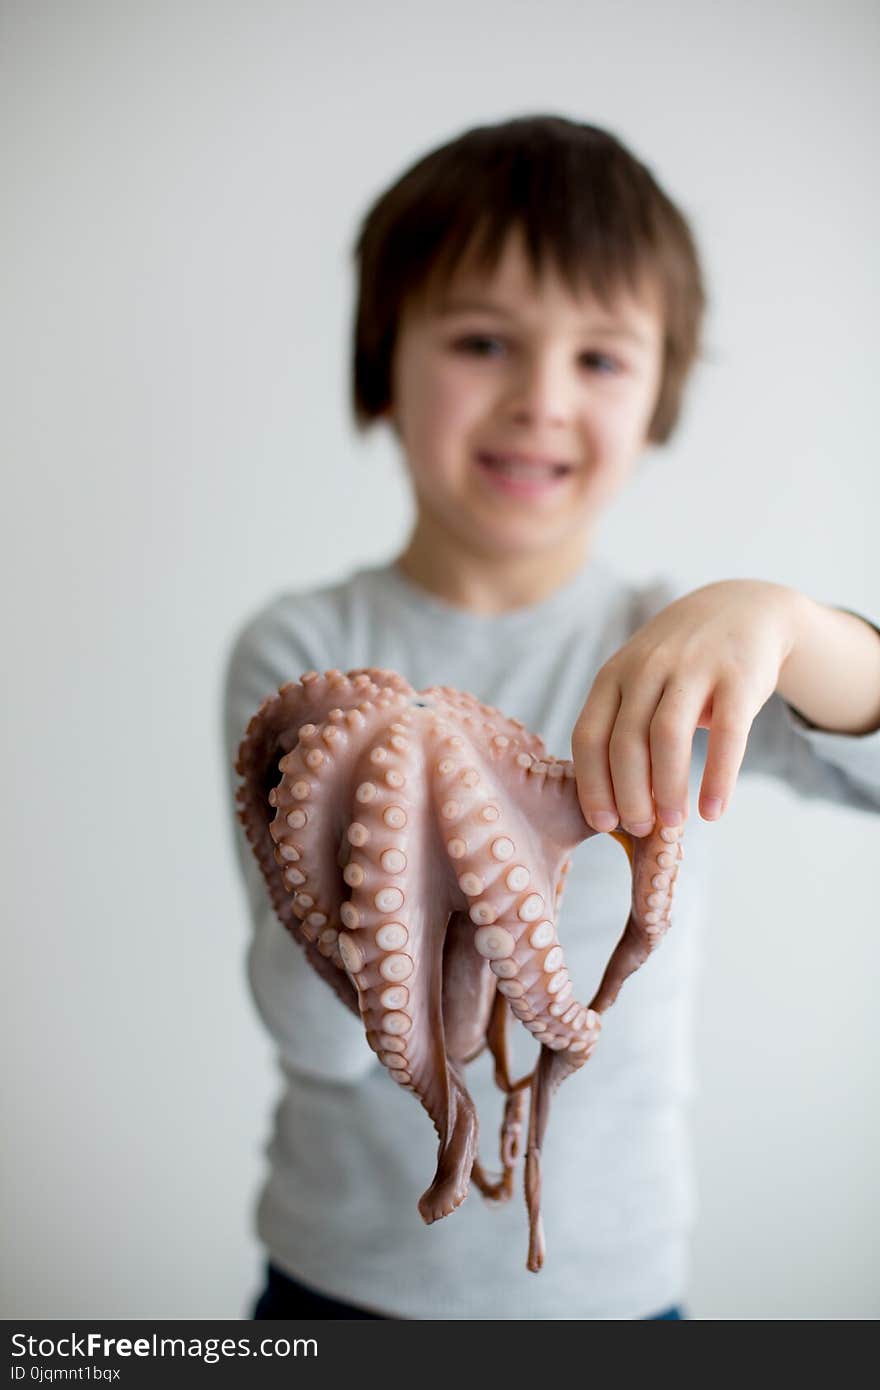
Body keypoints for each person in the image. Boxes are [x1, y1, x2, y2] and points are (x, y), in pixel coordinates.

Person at [222, 114, 880, 1320]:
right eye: (483, 340)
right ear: (382, 359)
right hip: (336, 1277)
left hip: (614, 1287)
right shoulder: (300, 651)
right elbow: (309, 1029)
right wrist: (384, 849)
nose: (538, 399)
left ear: (661, 393)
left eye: (600, 358)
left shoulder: (675, 652)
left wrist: (787, 623)